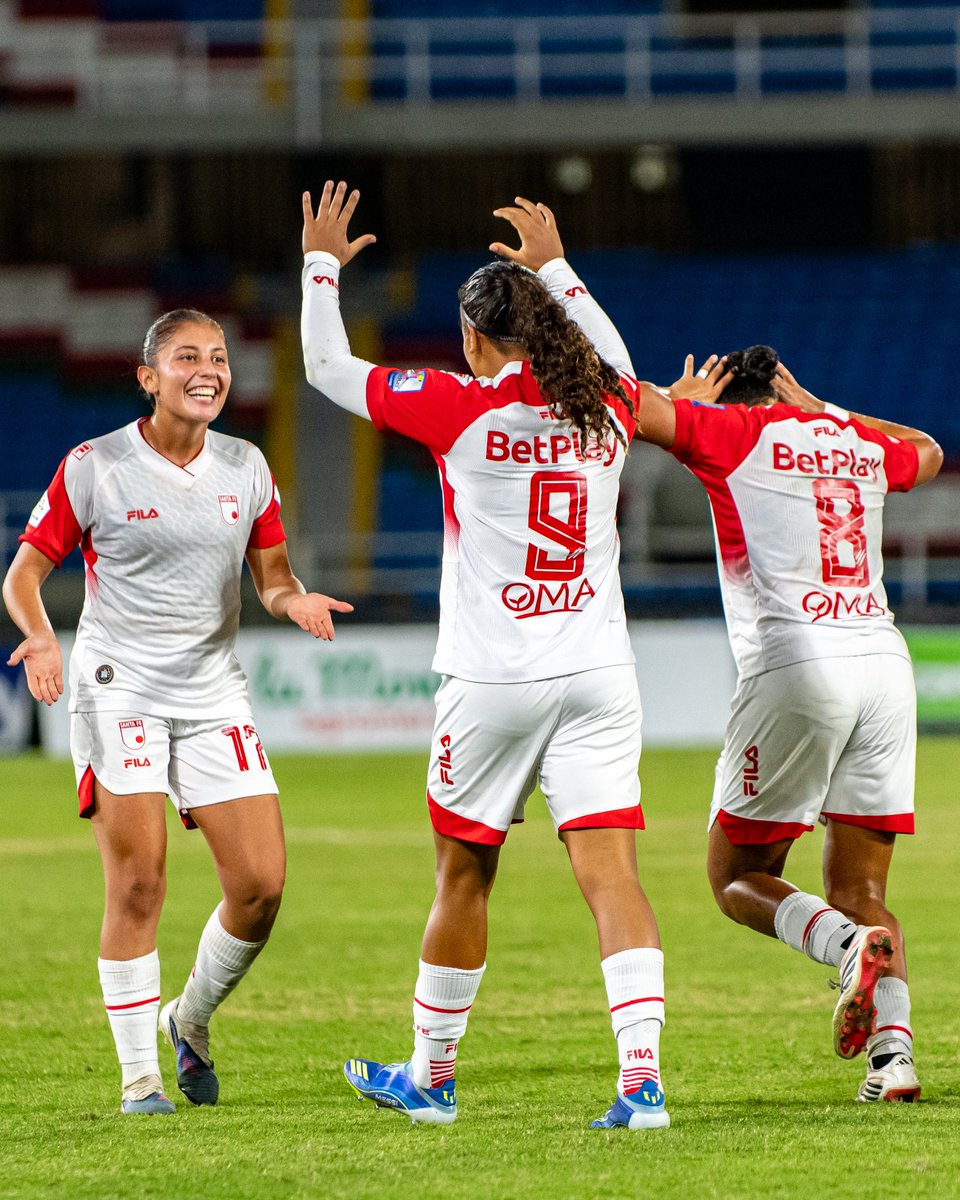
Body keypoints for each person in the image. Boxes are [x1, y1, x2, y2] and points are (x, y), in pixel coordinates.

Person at [301, 181, 669, 1131]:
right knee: (613, 877)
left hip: (495, 679)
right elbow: (620, 358)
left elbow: (326, 366)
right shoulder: (611, 401)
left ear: (471, 338)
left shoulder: (455, 407)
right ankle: (641, 1085)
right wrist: (558, 266)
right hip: (600, 673)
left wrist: (321, 265)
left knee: (464, 877)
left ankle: (432, 1080)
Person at [2, 308, 353, 1115]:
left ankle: (188, 1017)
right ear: (148, 378)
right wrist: (42, 638)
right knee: (139, 882)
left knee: (261, 886)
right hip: (118, 687)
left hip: (212, 691)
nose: (208, 371)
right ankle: (141, 1080)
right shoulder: (96, 465)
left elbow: (272, 576)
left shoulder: (246, 466)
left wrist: (293, 599)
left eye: (219, 358)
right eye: (187, 357)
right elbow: (22, 575)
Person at [631, 345, 942, 1103]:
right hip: (883, 663)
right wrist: (825, 408)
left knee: (736, 876)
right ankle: (893, 1060)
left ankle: (845, 946)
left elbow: (622, 406)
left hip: (798, 661)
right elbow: (928, 451)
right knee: (861, 884)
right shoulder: (852, 440)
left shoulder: (731, 433)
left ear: (733, 399)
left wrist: (680, 397)